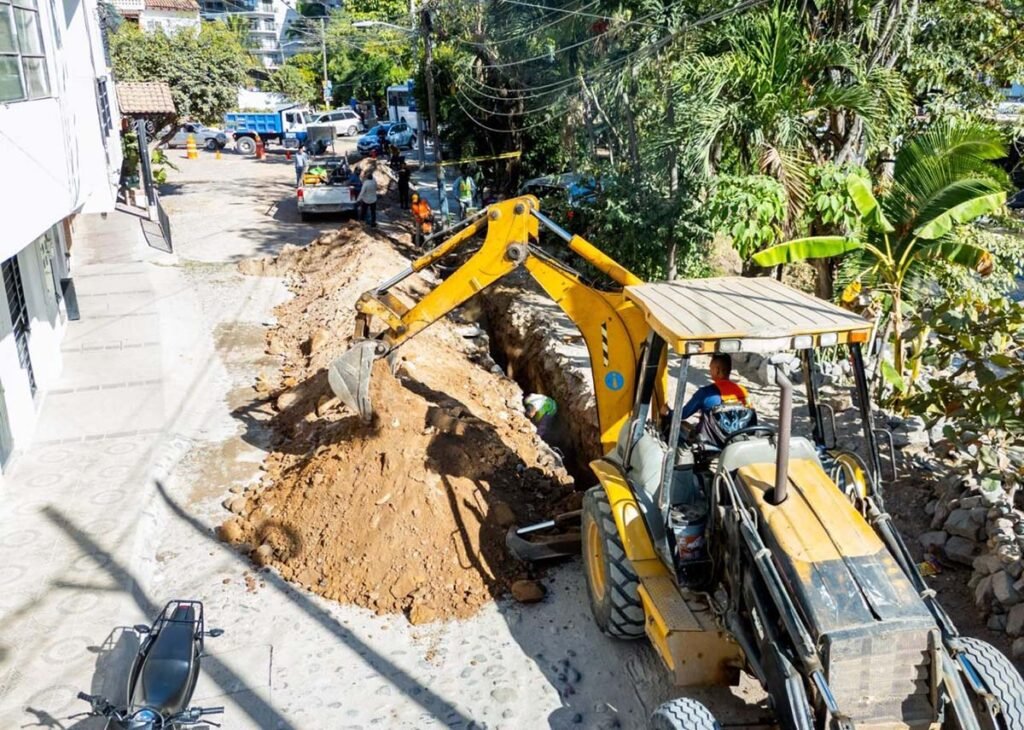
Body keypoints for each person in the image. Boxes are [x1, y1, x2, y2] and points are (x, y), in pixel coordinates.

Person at [678, 353, 755, 447]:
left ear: (717, 370)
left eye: (711, 367)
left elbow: (683, 414)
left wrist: (667, 412)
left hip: (713, 444)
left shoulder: (706, 393)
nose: (709, 370)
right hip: (740, 441)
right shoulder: (743, 391)